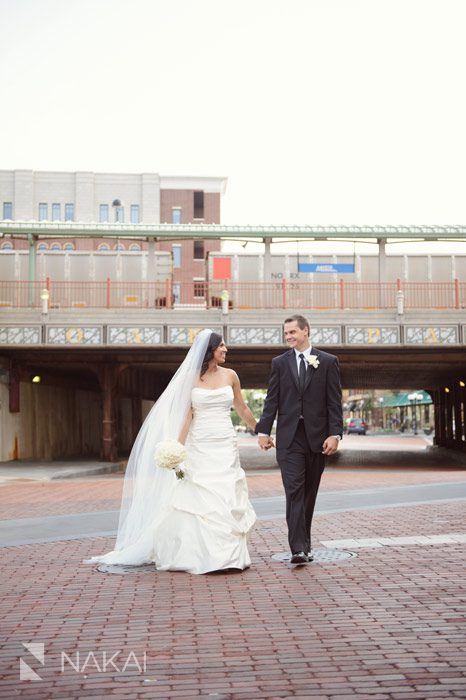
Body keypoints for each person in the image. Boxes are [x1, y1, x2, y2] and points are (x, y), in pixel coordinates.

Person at [85, 329, 257, 575]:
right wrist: (178, 448)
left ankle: (230, 556)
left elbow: (241, 407)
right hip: (200, 444)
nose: (226, 350)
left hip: (225, 443)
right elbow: (187, 415)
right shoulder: (190, 379)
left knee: (227, 494)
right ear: (210, 350)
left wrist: (260, 431)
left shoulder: (231, 376)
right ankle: (203, 555)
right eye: (221, 346)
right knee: (200, 498)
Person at [255, 314, 343, 564]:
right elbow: (272, 399)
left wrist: (335, 434)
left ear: (306, 331)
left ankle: (306, 542)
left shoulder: (327, 361)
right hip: (290, 438)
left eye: (292, 332)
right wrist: (263, 432)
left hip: (317, 439)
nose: (288, 337)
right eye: (286, 333)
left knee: (309, 493)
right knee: (294, 491)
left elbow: (334, 402)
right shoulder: (279, 363)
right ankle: (298, 549)